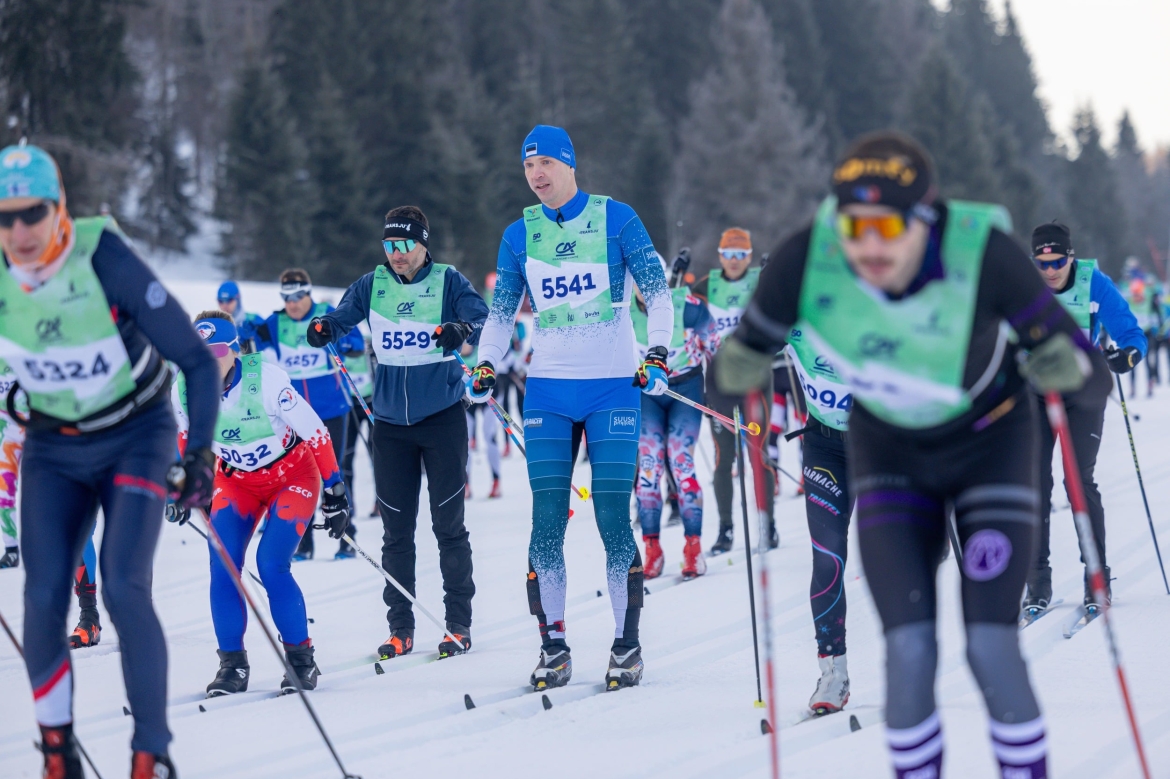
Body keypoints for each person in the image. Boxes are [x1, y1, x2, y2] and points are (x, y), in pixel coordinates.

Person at [718, 131, 1107, 779]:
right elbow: (733, 365)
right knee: (910, 654)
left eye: (888, 227)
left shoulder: (982, 252)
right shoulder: (810, 257)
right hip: (891, 451)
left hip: (990, 447)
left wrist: (1063, 367)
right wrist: (737, 371)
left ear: (926, 220)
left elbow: (1090, 375)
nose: (869, 247)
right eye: (854, 227)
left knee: (990, 646)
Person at [0, 141, 218, 779]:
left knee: (123, 585)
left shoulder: (103, 256)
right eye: (4, 218)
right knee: (43, 596)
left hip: (136, 435)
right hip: (54, 446)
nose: (19, 231)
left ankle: (150, 754)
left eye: (32, 213)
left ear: (59, 208)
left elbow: (197, 360)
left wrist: (199, 454)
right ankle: (57, 753)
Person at [470, 124, 673, 691]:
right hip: (549, 391)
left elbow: (659, 295)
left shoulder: (617, 218)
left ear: (569, 164)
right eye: (527, 166)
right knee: (546, 521)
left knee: (611, 515)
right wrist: (486, 363)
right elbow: (500, 314)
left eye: (545, 164)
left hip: (612, 386)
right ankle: (553, 647)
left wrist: (658, 353)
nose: (536, 175)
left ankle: (626, 645)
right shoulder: (518, 234)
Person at [306, 205, 487, 661]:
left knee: (448, 527)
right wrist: (323, 327)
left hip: (442, 420)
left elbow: (482, 317)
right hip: (389, 426)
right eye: (389, 245)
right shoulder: (372, 284)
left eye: (405, 244)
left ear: (423, 244)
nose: (396, 253)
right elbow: (341, 317)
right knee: (395, 533)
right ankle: (400, 628)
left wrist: (461, 329)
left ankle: (458, 623)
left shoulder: (448, 280)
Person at [171, 311, 350, 696]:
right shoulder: (183, 389)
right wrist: (183, 485)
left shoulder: (266, 380)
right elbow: (185, 442)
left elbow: (316, 432)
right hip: (237, 483)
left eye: (217, 351)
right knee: (223, 565)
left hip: (292, 477)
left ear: (234, 351)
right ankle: (232, 665)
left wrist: (335, 491)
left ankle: (301, 661)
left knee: (270, 563)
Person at [1024, 222, 1146, 616]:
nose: (1050, 271)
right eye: (1042, 263)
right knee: (1034, 481)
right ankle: (1036, 582)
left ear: (1070, 257)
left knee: (1078, 479)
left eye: (1057, 262)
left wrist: (1127, 356)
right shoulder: (1022, 284)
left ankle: (1096, 578)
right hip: (1036, 392)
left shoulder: (1094, 283)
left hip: (1082, 391)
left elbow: (1133, 335)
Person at [253, 268, 364, 560]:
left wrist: (344, 341)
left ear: (309, 292)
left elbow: (357, 344)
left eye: (299, 295)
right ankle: (304, 543)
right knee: (299, 475)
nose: (293, 303)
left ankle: (348, 536)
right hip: (294, 415)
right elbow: (249, 342)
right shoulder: (275, 323)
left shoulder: (327, 314)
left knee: (336, 469)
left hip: (331, 409)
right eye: (287, 297)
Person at [690, 228, 776, 555]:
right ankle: (725, 529)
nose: (735, 260)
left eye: (741, 254)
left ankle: (768, 525)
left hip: (756, 380)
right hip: (720, 384)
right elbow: (678, 310)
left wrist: (772, 279)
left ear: (749, 256)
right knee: (723, 458)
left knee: (758, 453)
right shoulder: (705, 286)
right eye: (729, 254)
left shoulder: (760, 281)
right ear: (720, 255)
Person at [784, 326, 855, 715]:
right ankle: (833, 672)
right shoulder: (799, 315)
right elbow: (749, 341)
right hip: (825, 447)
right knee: (828, 558)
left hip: (884, 445)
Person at [631, 278, 719, 579]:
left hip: (685, 388)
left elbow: (716, 347)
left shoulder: (688, 307)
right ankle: (652, 548)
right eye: (638, 282)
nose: (646, 288)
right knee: (649, 470)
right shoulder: (622, 309)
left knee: (681, 464)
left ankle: (693, 547)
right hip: (646, 394)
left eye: (652, 280)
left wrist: (723, 389)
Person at [340, 335, 376, 516]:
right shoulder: (338, 342)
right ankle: (348, 503)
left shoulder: (368, 340)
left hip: (372, 403)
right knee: (346, 456)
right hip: (349, 405)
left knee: (377, 454)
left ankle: (381, 502)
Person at [0, 360, 24, 567]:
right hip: (6, 431)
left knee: (43, 493)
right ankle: (11, 549)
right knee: (3, 490)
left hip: (39, 429)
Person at [216, 280, 265, 353]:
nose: (225, 305)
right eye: (221, 301)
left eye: (229, 300)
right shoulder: (215, 327)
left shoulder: (255, 321)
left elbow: (272, 353)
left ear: (238, 299)